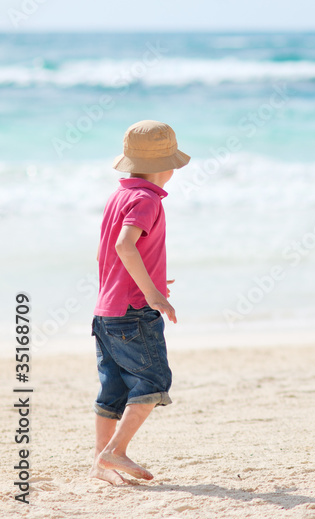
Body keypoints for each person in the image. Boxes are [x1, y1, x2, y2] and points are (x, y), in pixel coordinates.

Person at [90, 120, 190, 484]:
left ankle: (101, 465)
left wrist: (154, 279)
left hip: (107, 311)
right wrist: (151, 293)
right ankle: (114, 452)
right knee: (153, 380)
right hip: (133, 313)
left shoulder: (119, 195)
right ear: (169, 166)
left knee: (113, 388)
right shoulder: (146, 199)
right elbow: (124, 246)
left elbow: (114, 254)